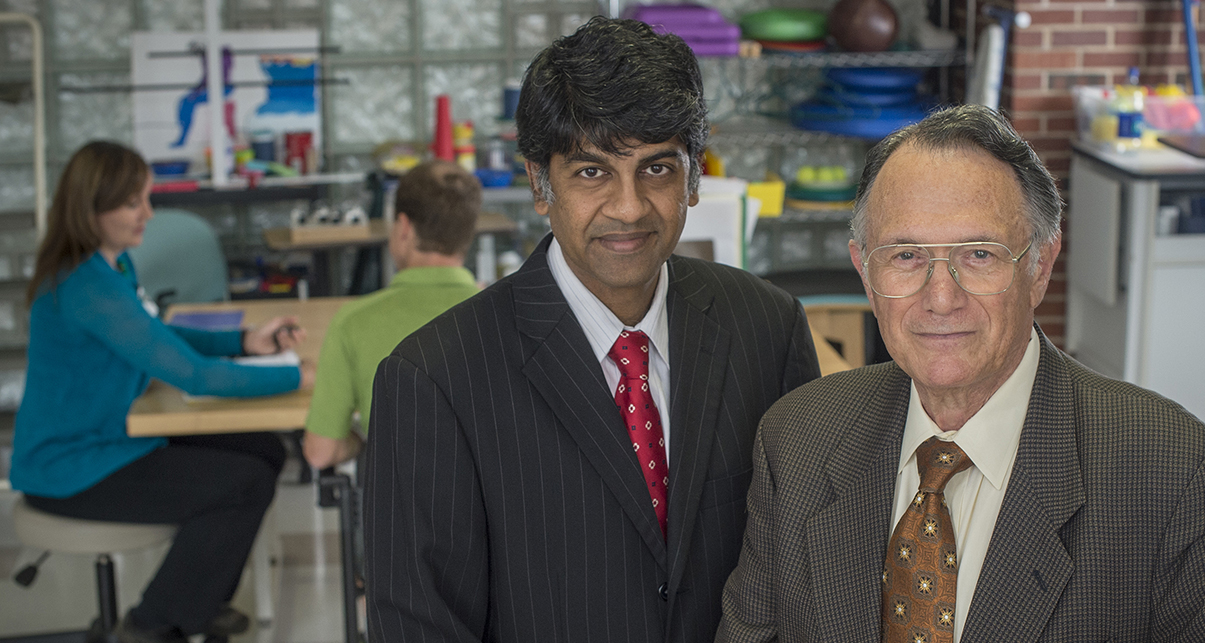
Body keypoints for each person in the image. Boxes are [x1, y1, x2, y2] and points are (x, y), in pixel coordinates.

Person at [717, 104, 1205, 642]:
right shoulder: (797, 440)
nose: (940, 298)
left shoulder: (1161, 469)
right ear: (867, 273)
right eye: (906, 255)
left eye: (979, 254)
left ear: (1040, 266)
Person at [364, 17, 821, 643]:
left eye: (657, 169)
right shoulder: (435, 378)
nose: (629, 207)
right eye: (591, 172)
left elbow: (802, 572)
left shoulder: (767, 328)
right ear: (538, 183)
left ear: (693, 179)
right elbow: (420, 627)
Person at [10, 140, 316, 643]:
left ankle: (199, 600)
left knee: (260, 449)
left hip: (108, 440)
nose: (148, 214)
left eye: (146, 199)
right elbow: (194, 376)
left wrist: (245, 342)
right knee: (241, 483)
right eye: (134, 203)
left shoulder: (110, 267)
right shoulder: (86, 286)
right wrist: (294, 376)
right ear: (92, 208)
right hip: (72, 466)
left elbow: (158, 336)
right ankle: (151, 624)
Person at [302, 160, 482, 469]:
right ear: (468, 232)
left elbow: (321, 453)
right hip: (500, 510)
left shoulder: (353, 322)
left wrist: (360, 442)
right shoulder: (513, 315)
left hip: (407, 509)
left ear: (404, 228)